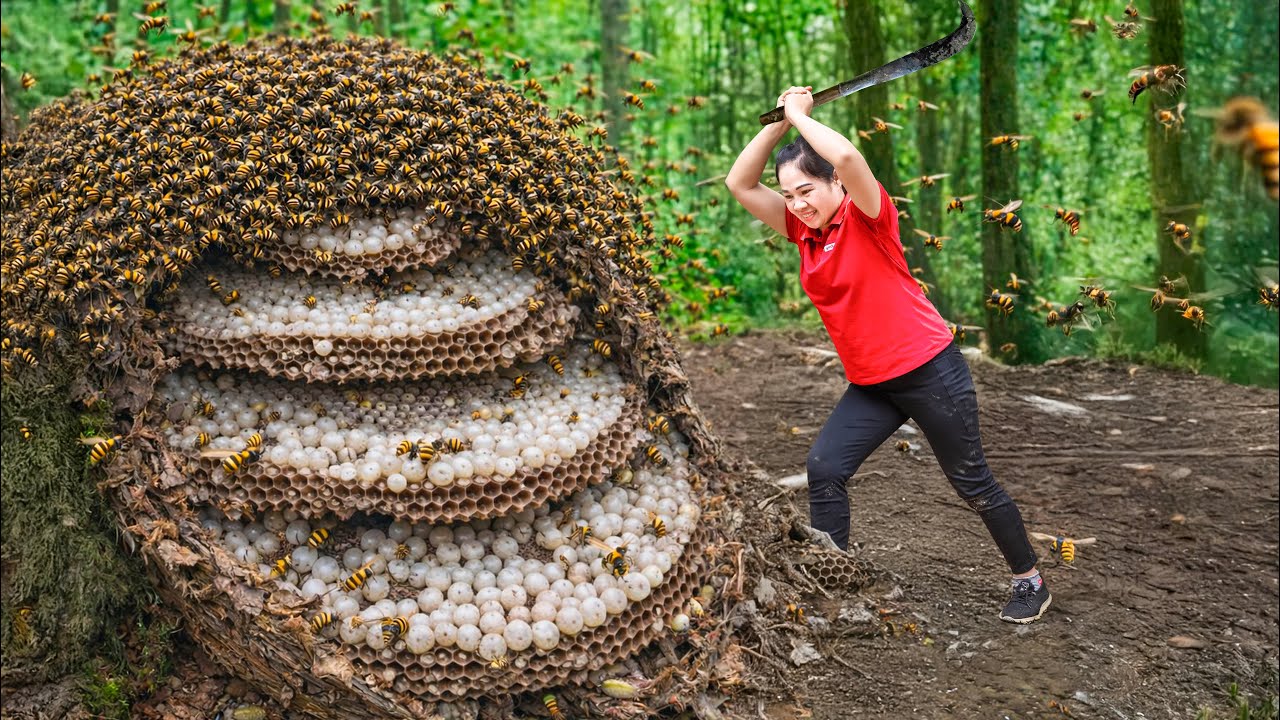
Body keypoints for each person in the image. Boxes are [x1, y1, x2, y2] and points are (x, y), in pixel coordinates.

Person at [724, 86, 1050, 623]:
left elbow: (850, 157)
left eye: (807, 190)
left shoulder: (868, 217)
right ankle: (830, 579)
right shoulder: (803, 233)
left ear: (834, 184)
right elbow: (739, 183)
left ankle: (1029, 580)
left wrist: (803, 117)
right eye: (788, 196)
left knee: (970, 480)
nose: (798, 204)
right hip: (873, 382)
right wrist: (779, 123)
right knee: (824, 466)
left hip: (928, 369)